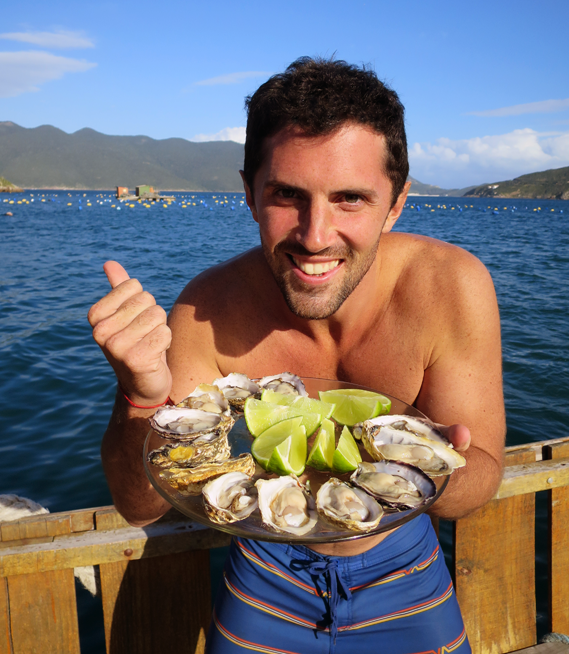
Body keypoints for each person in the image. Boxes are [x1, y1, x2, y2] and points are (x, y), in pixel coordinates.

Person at [88, 57, 505, 653]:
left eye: (351, 198)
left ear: (397, 203)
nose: (315, 235)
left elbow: (482, 480)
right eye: (287, 195)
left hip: (408, 571)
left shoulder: (451, 287)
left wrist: (436, 465)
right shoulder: (208, 310)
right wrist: (142, 395)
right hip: (265, 577)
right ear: (250, 195)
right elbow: (141, 505)